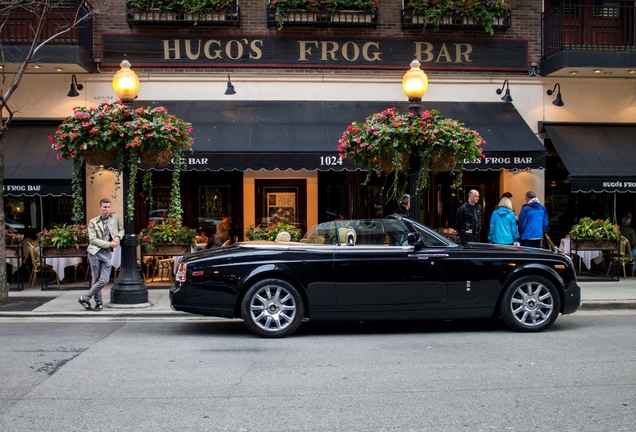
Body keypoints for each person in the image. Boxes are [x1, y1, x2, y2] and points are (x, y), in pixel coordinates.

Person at [79, 198, 123, 312]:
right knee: (96, 279)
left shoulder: (114, 218)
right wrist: (109, 244)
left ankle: (85, 298)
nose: (106, 210)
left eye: (108, 207)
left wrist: (118, 237)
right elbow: (93, 240)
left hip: (107, 253)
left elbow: (121, 229)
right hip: (95, 252)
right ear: (100, 208)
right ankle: (98, 303)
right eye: (104, 207)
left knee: (104, 280)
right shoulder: (93, 222)